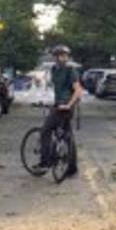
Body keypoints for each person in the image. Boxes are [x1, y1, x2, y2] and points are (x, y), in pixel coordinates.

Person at [36, 45, 82, 176]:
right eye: (60, 55)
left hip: (65, 107)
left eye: (65, 55)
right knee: (67, 137)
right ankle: (72, 169)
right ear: (55, 57)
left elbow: (78, 91)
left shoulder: (70, 70)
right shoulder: (54, 69)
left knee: (45, 131)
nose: (63, 58)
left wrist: (68, 104)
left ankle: (45, 162)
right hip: (57, 104)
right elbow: (54, 88)